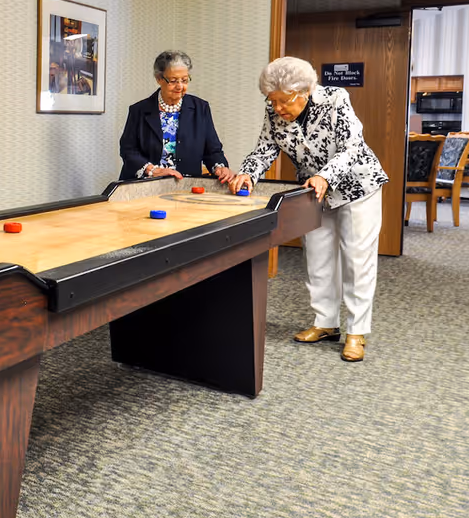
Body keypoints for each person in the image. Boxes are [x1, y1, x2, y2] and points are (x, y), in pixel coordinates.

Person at [228, 56, 388, 362]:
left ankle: (356, 332)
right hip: (313, 192)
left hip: (357, 186)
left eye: (283, 101)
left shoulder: (335, 100)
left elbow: (352, 147)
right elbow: (265, 147)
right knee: (317, 257)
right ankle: (326, 323)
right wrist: (248, 171)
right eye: (271, 101)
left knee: (357, 257)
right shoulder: (275, 109)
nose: (277, 108)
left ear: (304, 92)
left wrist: (325, 175)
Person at [118, 51, 233, 182]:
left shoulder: (200, 108)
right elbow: (128, 150)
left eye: (184, 80)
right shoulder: (139, 110)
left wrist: (220, 167)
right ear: (159, 79)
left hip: (185, 187)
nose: (180, 86)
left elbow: (213, 150)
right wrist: (152, 170)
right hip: (145, 185)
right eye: (173, 81)